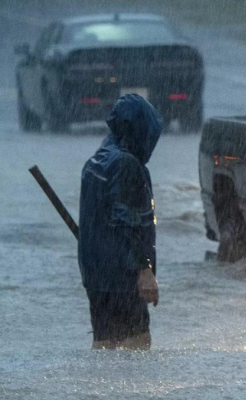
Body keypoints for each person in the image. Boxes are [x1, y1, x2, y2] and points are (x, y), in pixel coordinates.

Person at [78, 94, 161, 350]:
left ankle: (95, 391)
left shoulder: (96, 161)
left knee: (104, 345)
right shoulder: (127, 166)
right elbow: (129, 225)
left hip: (96, 274)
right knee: (138, 346)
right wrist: (144, 270)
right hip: (123, 277)